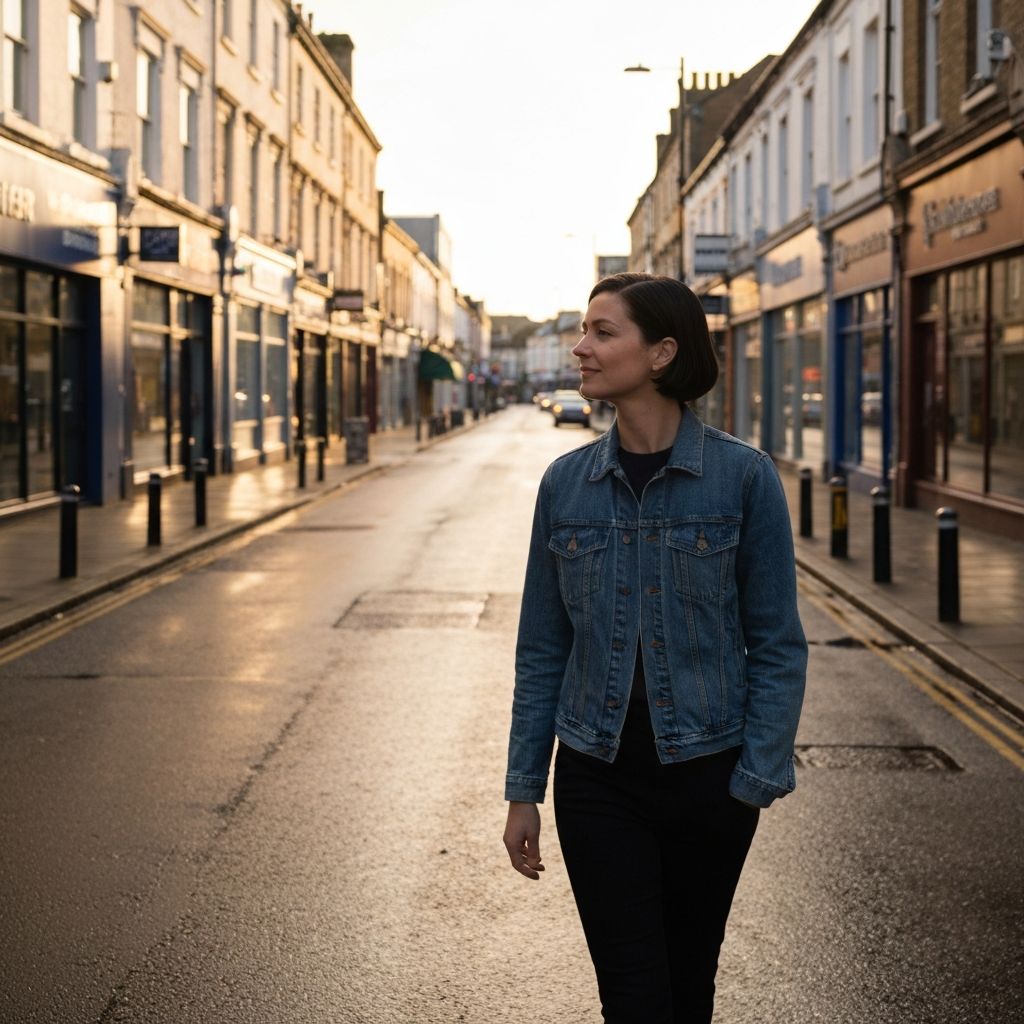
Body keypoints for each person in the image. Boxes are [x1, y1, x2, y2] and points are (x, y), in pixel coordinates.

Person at [502, 273, 807, 1024]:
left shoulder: (742, 478)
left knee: (687, 985)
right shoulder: (565, 485)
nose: (582, 348)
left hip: (711, 772)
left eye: (604, 332)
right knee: (634, 997)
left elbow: (777, 644)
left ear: (663, 351)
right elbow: (543, 648)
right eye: (582, 330)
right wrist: (523, 789)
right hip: (597, 776)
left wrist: (754, 777)